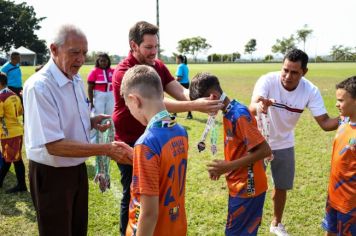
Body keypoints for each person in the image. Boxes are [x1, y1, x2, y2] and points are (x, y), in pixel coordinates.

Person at [112, 20, 223, 235]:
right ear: (133, 46)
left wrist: (208, 100)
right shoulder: (124, 73)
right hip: (133, 142)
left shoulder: (158, 66)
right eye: (148, 47)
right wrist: (193, 105)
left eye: (156, 46)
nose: (154, 52)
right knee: (134, 194)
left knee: (161, 191)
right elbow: (157, 102)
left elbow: (181, 92)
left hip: (159, 141)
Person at [23, 24, 132, 236]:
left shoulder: (74, 78)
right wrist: (106, 149)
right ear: (54, 49)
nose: (81, 59)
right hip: (52, 174)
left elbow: (68, 118)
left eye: (84, 53)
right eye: (74, 52)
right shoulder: (40, 87)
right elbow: (54, 145)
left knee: (77, 229)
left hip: (76, 168)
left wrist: (92, 121)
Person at [249, 49, 339, 235]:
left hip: (284, 143)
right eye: (285, 70)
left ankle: (276, 223)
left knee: (281, 186)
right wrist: (260, 106)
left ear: (304, 72)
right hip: (259, 142)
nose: (288, 76)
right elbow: (252, 106)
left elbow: (325, 123)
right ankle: (249, 224)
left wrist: (348, 117)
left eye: (294, 72)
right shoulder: (268, 80)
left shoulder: (310, 90)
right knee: (252, 187)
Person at [189, 72, 272, 235]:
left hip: (249, 188)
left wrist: (227, 166)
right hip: (241, 186)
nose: (204, 111)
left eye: (203, 106)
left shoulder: (238, 115)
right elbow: (242, 149)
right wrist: (225, 168)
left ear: (212, 97)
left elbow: (264, 150)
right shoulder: (229, 112)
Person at [121, 65, 189, 236]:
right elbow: (164, 169)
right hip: (176, 226)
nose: (131, 112)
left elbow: (149, 213)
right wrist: (136, 157)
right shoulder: (181, 131)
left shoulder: (146, 143)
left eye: (129, 107)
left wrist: (141, 153)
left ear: (135, 100)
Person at [321, 76, 356, 236]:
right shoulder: (344, 121)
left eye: (341, 100)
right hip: (334, 196)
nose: (336, 104)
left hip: (351, 204)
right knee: (330, 231)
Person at [0, 72, 26, 193]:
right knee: (10, 158)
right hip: (17, 131)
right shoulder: (14, 95)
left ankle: (22, 186)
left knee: (13, 159)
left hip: (8, 133)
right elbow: (20, 112)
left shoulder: (1, 97)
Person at [175, 54, 192, 119]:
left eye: (176, 59)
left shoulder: (180, 66)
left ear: (179, 59)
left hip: (181, 84)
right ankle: (189, 114)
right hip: (187, 83)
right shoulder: (185, 66)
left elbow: (179, 77)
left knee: (177, 98)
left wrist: (174, 81)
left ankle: (174, 113)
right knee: (187, 99)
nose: (176, 61)